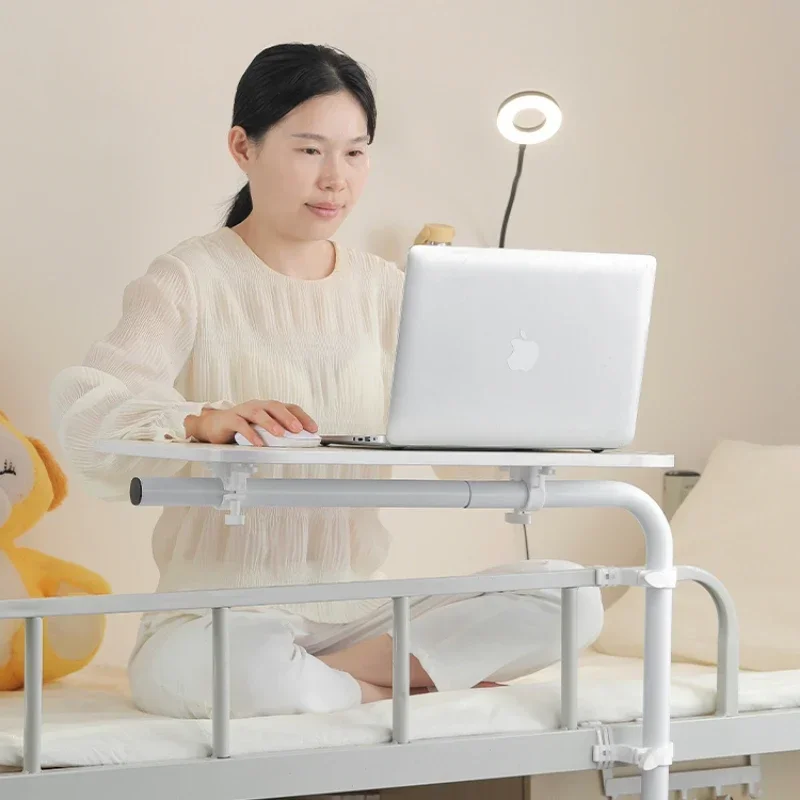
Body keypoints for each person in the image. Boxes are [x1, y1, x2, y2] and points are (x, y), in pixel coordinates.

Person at [50, 43, 604, 719]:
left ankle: (338, 681)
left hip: (364, 615)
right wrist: (199, 418)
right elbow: (85, 415)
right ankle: (385, 683)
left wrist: (526, 416)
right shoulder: (189, 278)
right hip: (216, 622)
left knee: (571, 594)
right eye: (310, 150)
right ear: (242, 147)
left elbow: (474, 464)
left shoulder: (389, 291)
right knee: (255, 671)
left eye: (356, 151)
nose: (336, 178)